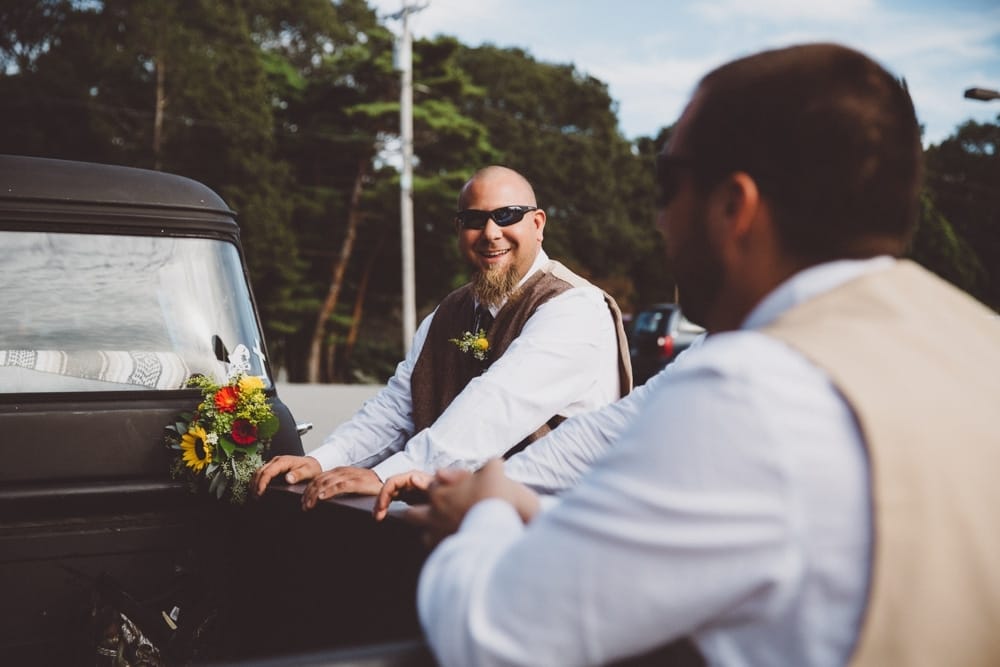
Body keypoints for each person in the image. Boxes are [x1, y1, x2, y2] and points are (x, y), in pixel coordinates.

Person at [410, 43, 1000, 667]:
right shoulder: (976, 343)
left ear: (732, 207)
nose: (661, 221)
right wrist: (520, 496)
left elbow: (493, 637)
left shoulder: (755, 387)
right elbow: (610, 438)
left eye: (668, 182)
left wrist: (486, 514)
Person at [252, 165, 631, 509]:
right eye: (473, 219)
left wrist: (388, 474)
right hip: (468, 528)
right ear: (458, 230)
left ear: (538, 224)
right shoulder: (449, 312)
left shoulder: (574, 308)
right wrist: (323, 460)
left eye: (506, 216)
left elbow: (496, 405)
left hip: (559, 531)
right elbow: (398, 406)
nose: (490, 233)